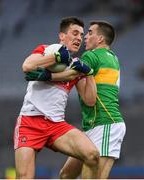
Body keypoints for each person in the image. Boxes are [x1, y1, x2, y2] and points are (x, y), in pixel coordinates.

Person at [14, 16, 99, 179]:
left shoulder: (77, 65)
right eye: (75, 33)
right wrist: (56, 57)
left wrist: (90, 74)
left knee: (92, 155)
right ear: (62, 36)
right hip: (29, 122)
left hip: (56, 125)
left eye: (81, 35)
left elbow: (90, 101)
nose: (79, 38)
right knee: (24, 177)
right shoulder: (45, 50)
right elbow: (27, 66)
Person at [58, 21, 126, 179]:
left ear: (100, 38)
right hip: (93, 125)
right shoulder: (113, 57)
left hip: (106, 124)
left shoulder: (91, 55)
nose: (85, 37)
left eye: (89, 33)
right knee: (66, 174)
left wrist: (46, 74)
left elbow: (72, 75)